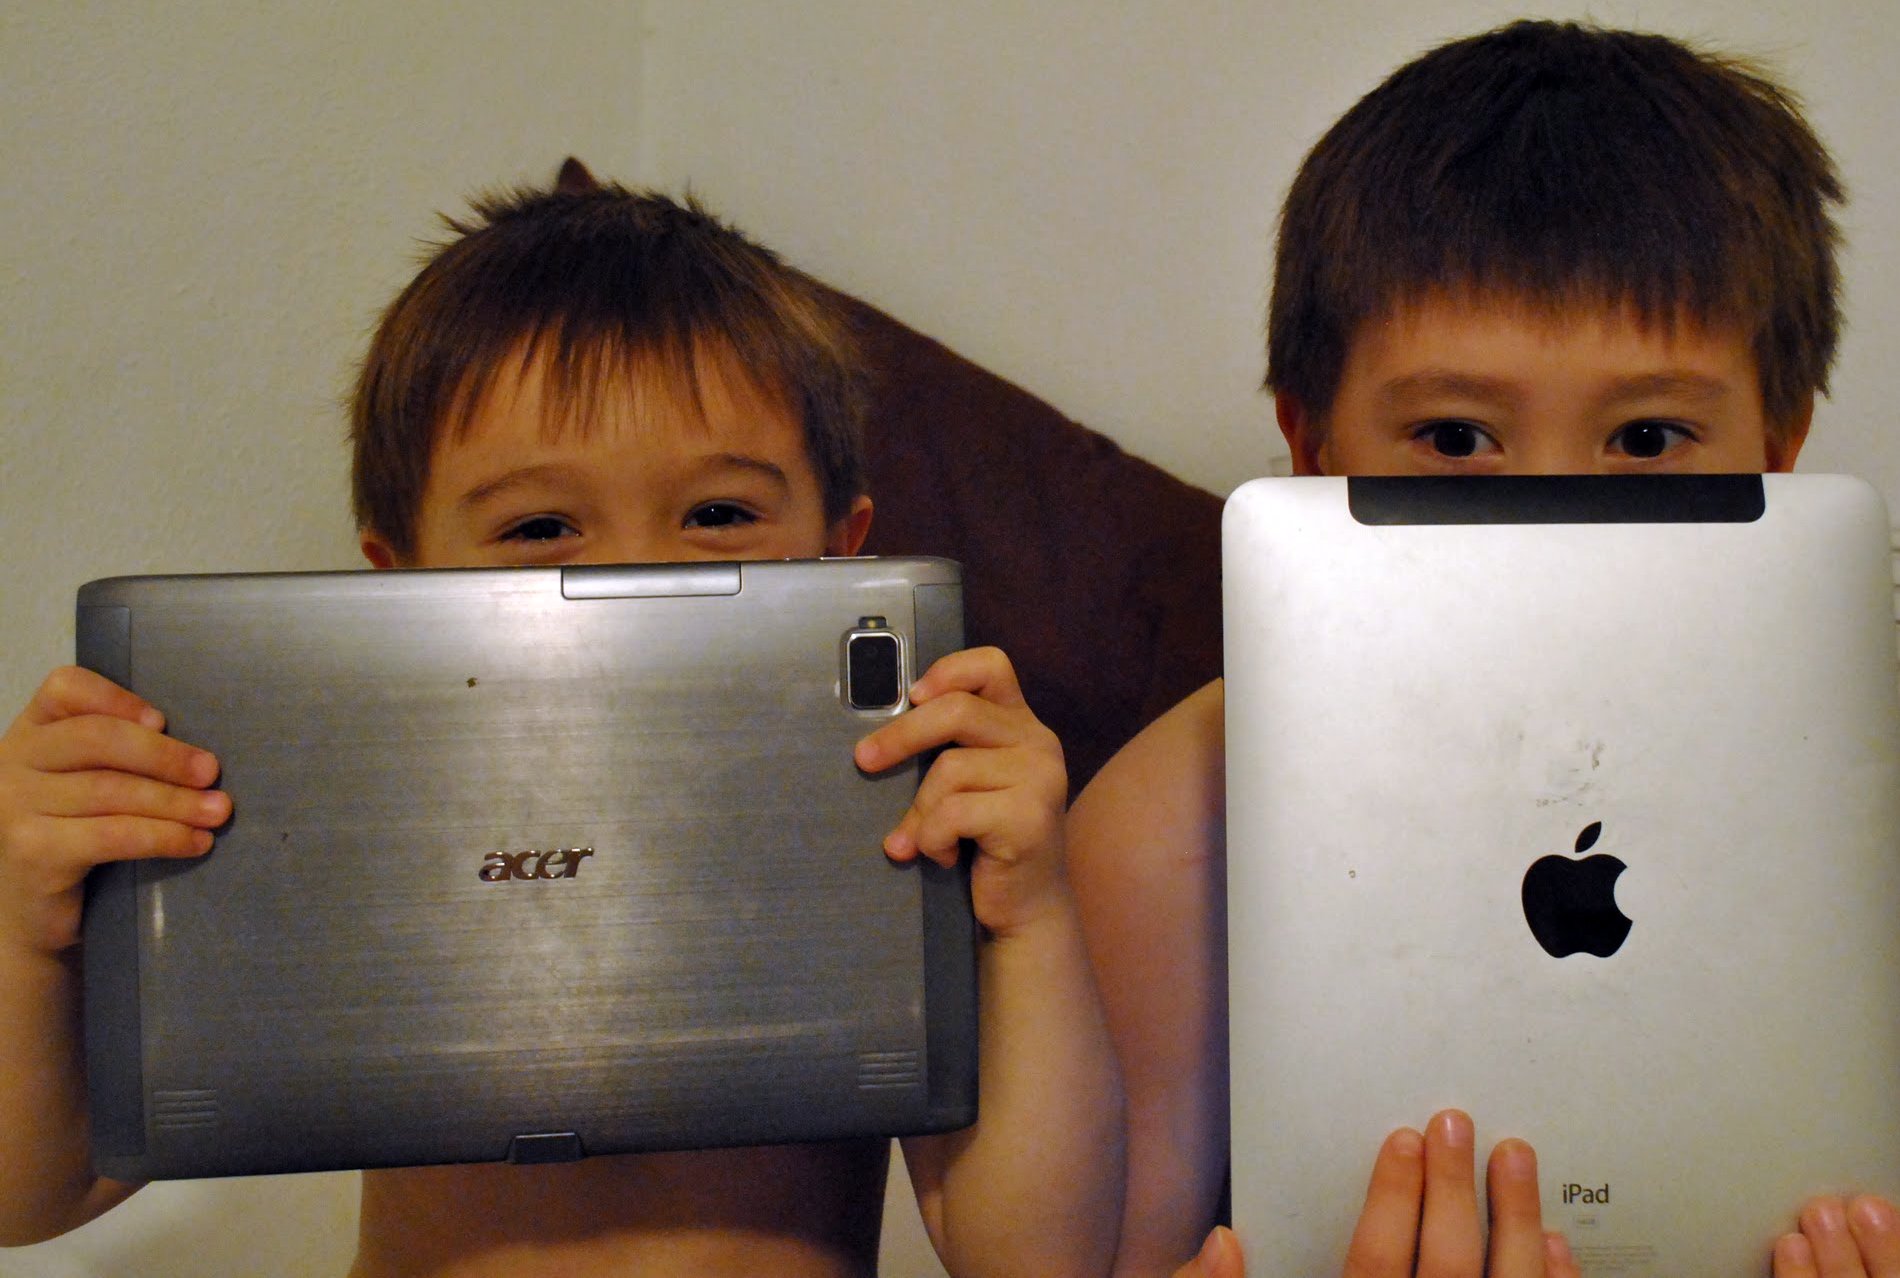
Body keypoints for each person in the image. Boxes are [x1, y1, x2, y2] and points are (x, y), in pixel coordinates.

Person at [0, 162, 1123, 1277]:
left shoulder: (891, 806)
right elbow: (29, 1193)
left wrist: (1031, 916)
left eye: (717, 512)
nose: (633, 578)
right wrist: (22, 924)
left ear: (844, 552)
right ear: (392, 578)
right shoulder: (329, 806)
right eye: (540, 528)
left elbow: (1038, 1260)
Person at [1063, 20, 1900, 1278]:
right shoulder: (1166, 829)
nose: (1549, 520)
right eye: (1455, 439)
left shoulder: (1864, 791)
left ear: (1780, 451)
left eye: (1646, 438)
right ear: (1311, 450)